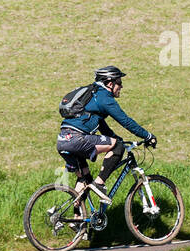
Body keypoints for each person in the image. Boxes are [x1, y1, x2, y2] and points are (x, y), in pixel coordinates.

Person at [57, 66, 156, 203]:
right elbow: (125, 121)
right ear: (110, 83)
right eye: (119, 82)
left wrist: (117, 138)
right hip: (77, 139)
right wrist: (148, 136)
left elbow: (102, 126)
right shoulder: (104, 97)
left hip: (63, 140)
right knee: (118, 147)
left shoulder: (93, 96)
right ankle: (99, 184)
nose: (121, 86)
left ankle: (77, 219)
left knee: (84, 180)